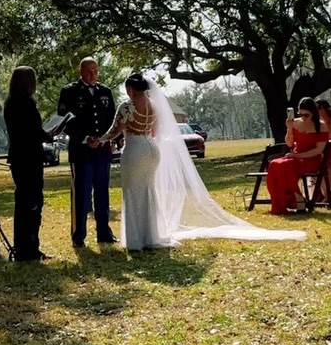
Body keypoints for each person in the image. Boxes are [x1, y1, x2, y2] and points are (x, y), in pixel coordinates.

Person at [91, 73, 306, 248]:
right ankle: (151, 235)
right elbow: (155, 132)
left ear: (130, 89)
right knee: (149, 190)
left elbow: (115, 130)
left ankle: (136, 240)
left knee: (132, 191)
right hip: (152, 150)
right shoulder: (156, 106)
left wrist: (99, 140)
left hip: (135, 149)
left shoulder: (126, 107)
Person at [57, 56, 117, 247]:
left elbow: (112, 120)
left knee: (102, 192)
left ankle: (104, 232)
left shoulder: (105, 92)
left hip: (102, 151)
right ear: (80, 71)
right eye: (89, 71)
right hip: (81, 152)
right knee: (81, 194)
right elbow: (63, 121)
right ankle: (78, 235)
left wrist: (109, 139)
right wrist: (84, 138)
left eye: (96, 70)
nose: (93, 74)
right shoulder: (69, 92)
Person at [3, 66, 53, 262]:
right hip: (28, 157)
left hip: (19, 157)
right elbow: (30, 130)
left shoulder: (11, 102)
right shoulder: (24, 104)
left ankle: (26, 246)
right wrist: (46, 135)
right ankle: (28, 248)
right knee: (31, 203)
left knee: (25, 202)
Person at [265, 98, 328, 215]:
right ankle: (288, 201)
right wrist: (289, 128)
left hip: (311, 159)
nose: (303, 117)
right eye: (301, 114)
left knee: (285, 166)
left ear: (313, 112)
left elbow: (319, 150)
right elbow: (289, 143)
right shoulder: (296, 123)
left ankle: (298, 199)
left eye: (306, 115)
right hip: (295, 157)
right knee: (275, 164)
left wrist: (297, 155)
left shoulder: (321, 126)